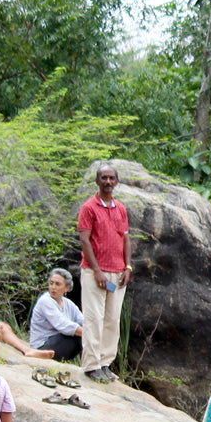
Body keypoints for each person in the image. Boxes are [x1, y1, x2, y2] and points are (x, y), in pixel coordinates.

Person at [77, 162, 132, 383]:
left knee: (112, 319)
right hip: (94, 272)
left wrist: (128, 267)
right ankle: (91, 365)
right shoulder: (88, 207)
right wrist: (97, 271)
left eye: (111, 178)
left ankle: (105, 362)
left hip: (118, 273)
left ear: (116, 181)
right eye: (104, 178)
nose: (108, 182)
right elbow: (84, 239)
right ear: (97, 181)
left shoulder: (120, 208)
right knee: (93, 318)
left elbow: (126, 238)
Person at [29, 268, 84, 361]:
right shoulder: (45, 301)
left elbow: (82, 320)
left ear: (67, 288)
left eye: (57, 284)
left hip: (58, 342)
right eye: (51, 283)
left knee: (86, 335)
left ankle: (98, 365)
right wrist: (88, 333)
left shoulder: (68, 303)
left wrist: (93, 330)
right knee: (79, 336)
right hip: (42, 345)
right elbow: (63, 325)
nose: (53, 287)